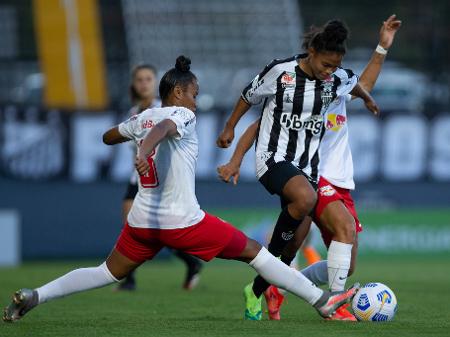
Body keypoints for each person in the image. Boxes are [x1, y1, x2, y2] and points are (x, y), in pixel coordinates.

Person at [3, 56, 359, 323]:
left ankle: (37, 295)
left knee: (106, 272)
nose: (195, 101)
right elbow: (168, 127)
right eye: (194, 94)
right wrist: (145, 148)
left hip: (143, 222)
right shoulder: (182, 114)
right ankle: (321, 301)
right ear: (178, 92)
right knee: (257, 254)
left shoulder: (142, 117)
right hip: (182, 221)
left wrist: (134, 132)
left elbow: (107, 136)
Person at [217, 15, 401, 320]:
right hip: (292, 168)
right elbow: (259, 119)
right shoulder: (284, 76)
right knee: (332, 220)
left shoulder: (336, 84)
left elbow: (360, 85)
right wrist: (233, 150)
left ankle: (266, 285)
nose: (330, 72)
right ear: (313, 53)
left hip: (320, 173)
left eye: (334, 67)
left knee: (299, 252)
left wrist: (379, 57)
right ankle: (335, 304)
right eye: (326, 65)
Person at [118, 63, 202, 291]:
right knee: (131, 224)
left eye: (148, 79)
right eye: (139, 80)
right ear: (134, 85)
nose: (144, 84)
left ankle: (191, 262)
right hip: (139, 176)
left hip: (162, 179)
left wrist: (144, 152)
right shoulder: (134, 113)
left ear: (155, 83)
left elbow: (164, 133)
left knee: (157, 231)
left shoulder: (163, 110)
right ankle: (130, 278)